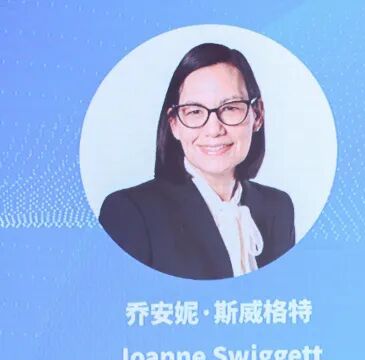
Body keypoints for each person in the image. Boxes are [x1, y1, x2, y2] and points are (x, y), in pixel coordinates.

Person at [100, 43, 295, 280]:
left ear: (258, 115)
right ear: (174, 124)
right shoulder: (130, 212)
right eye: (194, 111)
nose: (214, 130)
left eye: (230, 108)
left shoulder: (279, 207)